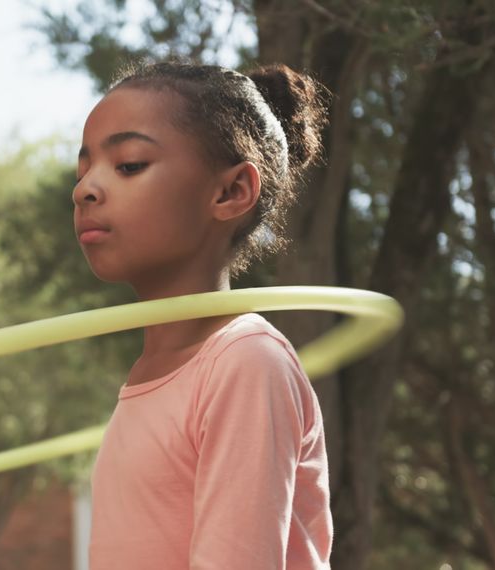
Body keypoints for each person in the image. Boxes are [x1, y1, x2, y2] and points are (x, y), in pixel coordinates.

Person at [74, 58, 332, 569]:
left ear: (231, 191)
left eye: (128, 165)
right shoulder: (157, 372)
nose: (84, 189)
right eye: (82, 170)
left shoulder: (245, 364)